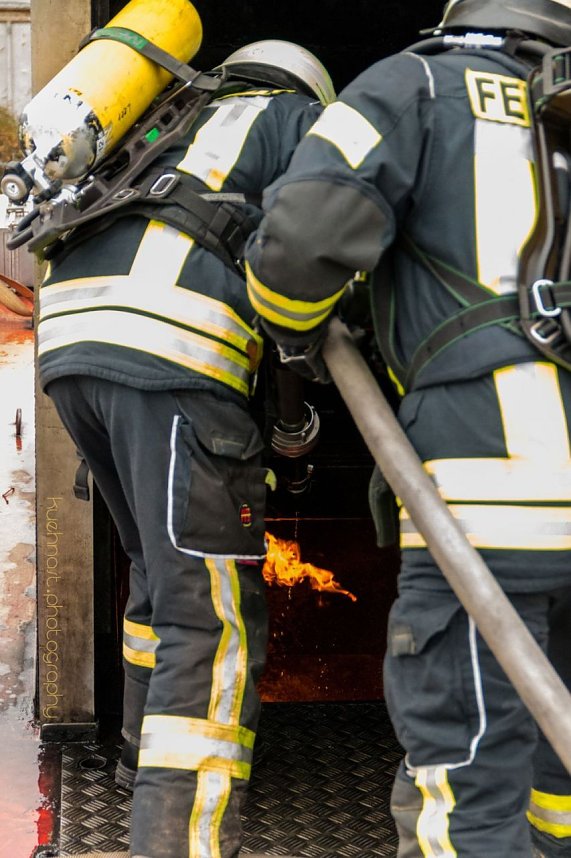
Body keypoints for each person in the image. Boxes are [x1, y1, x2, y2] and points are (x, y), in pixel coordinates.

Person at [244, 2, 571, 856]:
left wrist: (296, 332)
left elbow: (297, 244)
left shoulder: (414, 82)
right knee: (557, 787)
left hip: (489, 502)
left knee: (470, 791)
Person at [36, 39, 335, 858]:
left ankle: (141, 755)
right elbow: (296, 268)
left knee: (158, 569)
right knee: (210, 613)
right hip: (174, 352)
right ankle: (185, 838)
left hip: (70, 348)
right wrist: (293, 420)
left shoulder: (161, 116)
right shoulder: (302, 122)